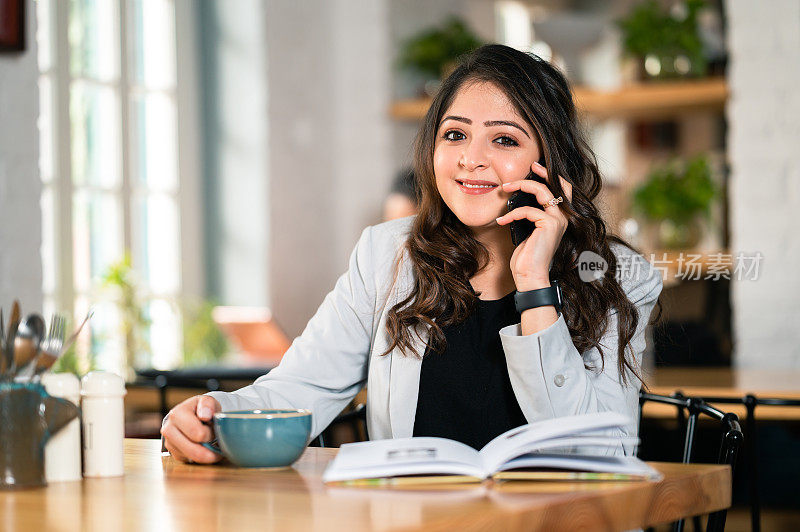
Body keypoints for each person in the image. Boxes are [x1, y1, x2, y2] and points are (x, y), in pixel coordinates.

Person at [162, 43, 663, 464]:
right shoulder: (386, 254)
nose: (471, 159)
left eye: (504, 139)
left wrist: (534, 284)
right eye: (455, 134)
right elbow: (297, 390)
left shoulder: (618, 276)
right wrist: (210, 414)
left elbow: (601, 457)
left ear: (551, 163)